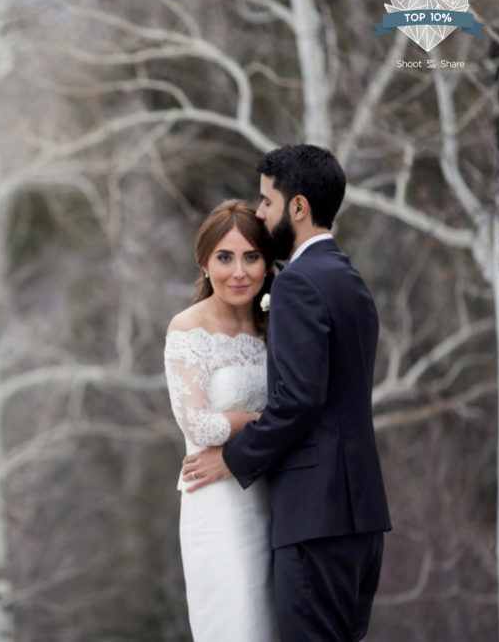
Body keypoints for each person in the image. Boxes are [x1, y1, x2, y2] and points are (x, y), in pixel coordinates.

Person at [182, 145, 392, 642]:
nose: (259, 213)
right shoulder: (348, 279)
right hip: (361, 516)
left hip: (315, 517)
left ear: (297, 207)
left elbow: (298, 401)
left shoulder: (298, 283)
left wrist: (233, 459)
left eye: (266, 202)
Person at [164, 199, 278, 641]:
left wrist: (260, 423)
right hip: (217, 503)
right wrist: (266, 418)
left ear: (267, 264)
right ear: (205, 262)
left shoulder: (273, 329)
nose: (239, 272)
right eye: (225, 257)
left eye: (251, 257)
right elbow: (201, 427)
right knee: (237, 623)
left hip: (272, 498)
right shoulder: (187, 329)